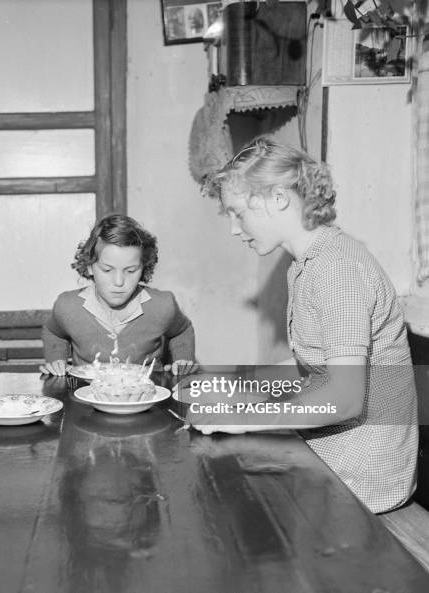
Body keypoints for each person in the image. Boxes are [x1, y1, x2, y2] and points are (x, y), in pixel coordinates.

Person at [188, 136, 418, 513]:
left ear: (278, 198)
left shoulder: (336, 270)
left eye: (238, 212)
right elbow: (315, 366)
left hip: (362, 480)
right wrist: (235, 387)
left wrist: (243, 415)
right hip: (331, 457)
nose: (233, 228)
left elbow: (344, 398)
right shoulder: (308, 263)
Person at [40, 214, 196, 376]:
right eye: (107, 270)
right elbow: (53, 332)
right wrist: (57, 361)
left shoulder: (163, 305)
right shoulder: (67, 306)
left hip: (148, 396)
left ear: (143, 267)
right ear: (89, 266)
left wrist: (182, 360)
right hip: (85, 397)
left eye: (130, 271)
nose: (119, 282)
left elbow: (181, 330)